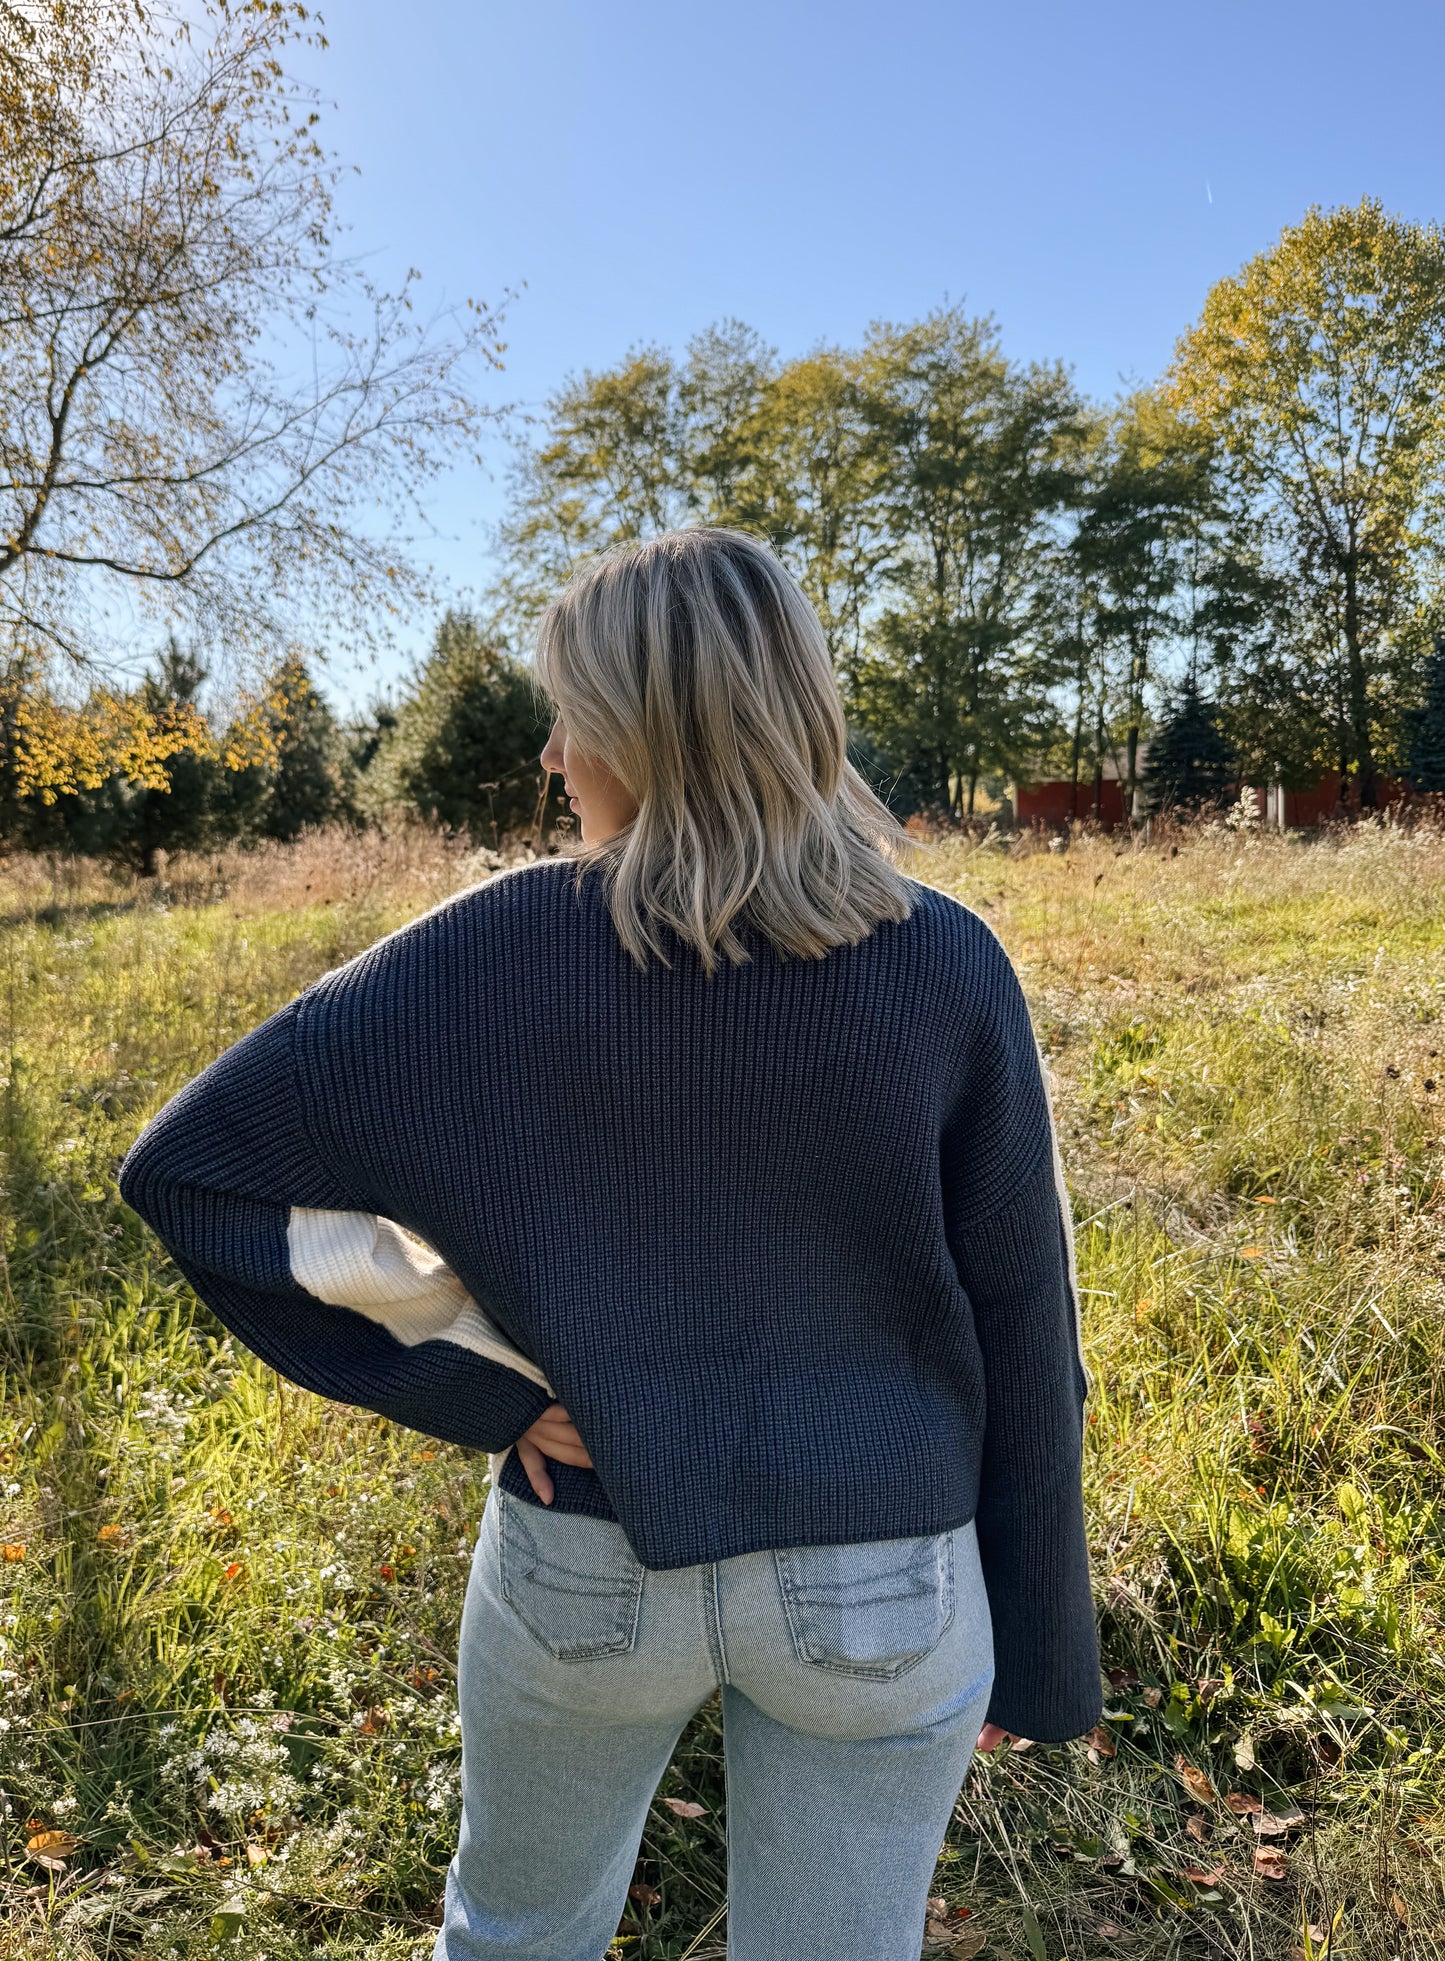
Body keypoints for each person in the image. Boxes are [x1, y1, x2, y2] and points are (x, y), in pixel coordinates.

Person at [119, 527, 1101, 1960]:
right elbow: (1026, 1315)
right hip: (887, 1582)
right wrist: (1046, 1643)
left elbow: (194, 1170)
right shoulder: (943, 956)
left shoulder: (486, 949)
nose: (549, 751)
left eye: (570, 709)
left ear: (637, 728)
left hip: (590, 1557)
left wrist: (481, 1379)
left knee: (516, 1934)